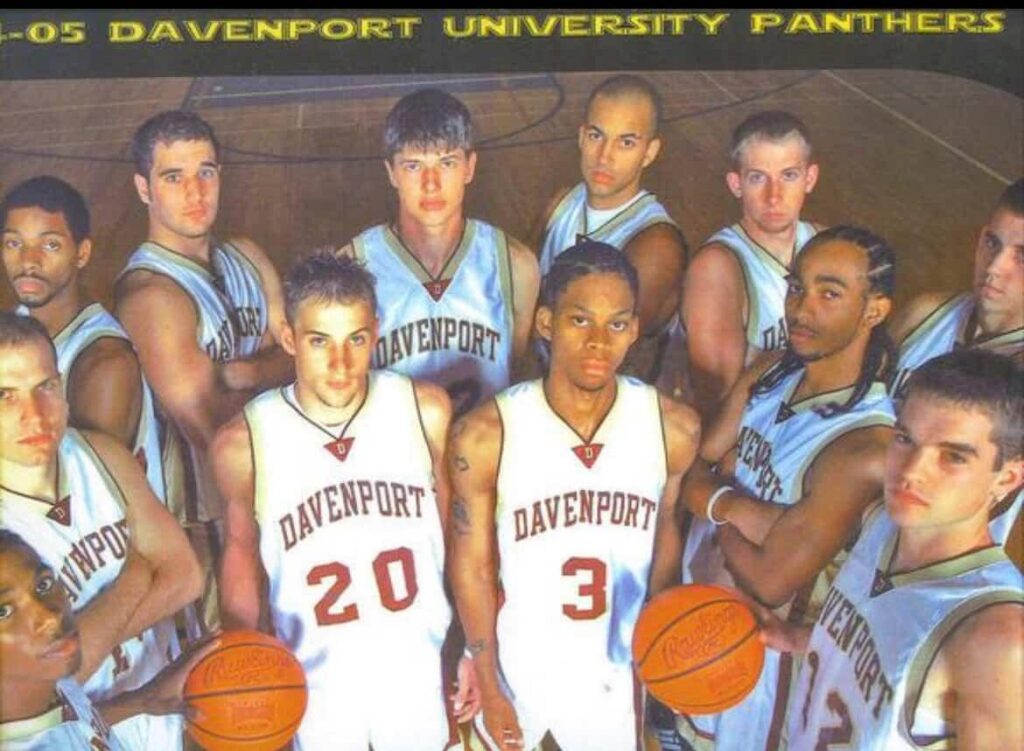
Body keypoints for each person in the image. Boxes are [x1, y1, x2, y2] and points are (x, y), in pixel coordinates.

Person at [212, 250, 469, 750]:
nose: (340, 363)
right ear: (288, 338)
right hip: (315, 686)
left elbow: (456, 538)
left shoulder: (424, 409)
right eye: (318, 341)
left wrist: (473, 648)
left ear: (376, 329)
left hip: (417, 671)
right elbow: (241, 556)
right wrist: (244, 676)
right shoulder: (243, 442)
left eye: (355, 339)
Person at [450, 240, 700, 750]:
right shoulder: (485, 435)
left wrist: (666, 635)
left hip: (616, 674)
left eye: (616, 324)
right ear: (546, 323)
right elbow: (472, 566)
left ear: (634, 329)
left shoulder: (673, 429)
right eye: (580, 321)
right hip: (521, 665)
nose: (599, 342)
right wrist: (488, 679)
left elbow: (667, 530)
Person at [674, 226, 897, 751]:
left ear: (875, 311)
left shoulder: (863, 446)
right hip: (703, 609)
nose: (801, 308)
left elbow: (769, 582)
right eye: (796, 287)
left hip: (767, 657)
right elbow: (692, 469)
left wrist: (718, 508)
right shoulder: (770, 370)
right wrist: (744, 512)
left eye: (829, 293)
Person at [769, 350, 1023, 750]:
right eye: (905, 439)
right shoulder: (881, 524)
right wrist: (792, 638)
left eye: (953, 456)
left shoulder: (998, 637)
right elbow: (884, 650)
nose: (911, 471)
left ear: (1006, 478)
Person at [115, 110, 293, 632]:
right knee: (231, 677)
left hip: (267, 496)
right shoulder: (150, 296)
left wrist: (248, 374)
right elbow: (211, 434)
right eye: (174, 177)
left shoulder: (246, 256)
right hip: (203, 524)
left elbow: (294, 354)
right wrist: (270, 373)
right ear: (144, 189)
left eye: (206, 172)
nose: (195, 192)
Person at [0, 312, 203, 749]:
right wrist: (135, 576)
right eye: (6, 396)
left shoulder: (100, 453)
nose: (34, 415)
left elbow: (185, 576)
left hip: (164, 712)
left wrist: (72, 647)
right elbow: (33, 697)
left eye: (45, 387)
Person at [339, 88, 540, 418]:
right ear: (391, 172)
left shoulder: (515, 266)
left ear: (469, 167)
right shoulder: (353, 265)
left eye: (447, 163)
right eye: (414, 166)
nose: (431, 184)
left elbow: (514, 366)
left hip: (482, 459)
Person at [2, 176, 166, 503]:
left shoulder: (105, 364)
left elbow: (81, 497)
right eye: (13, 243)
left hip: (110, 547)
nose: (28, 261)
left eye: (50, 245)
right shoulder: (18, 327)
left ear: (82, 253)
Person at [889, 178, 1023, 546]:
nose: (995, 267)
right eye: (992, 243)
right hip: (844, 530)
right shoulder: (925, 313)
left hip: (925, 565)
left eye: (1021, 255)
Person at [537, 74, 687, 387]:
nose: (605, 156)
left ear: (649, 152)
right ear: (581, 137)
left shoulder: (657, 243)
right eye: (596, 136)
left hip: (609, 408)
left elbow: (610, 358)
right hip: (548, 380)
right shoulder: (562, 203)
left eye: (626, 142)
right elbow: (516, 300)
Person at [0, 530, 212, 751]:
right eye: (3, 611)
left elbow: (74, 728)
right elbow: (176, 574)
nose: (50, 617)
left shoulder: (45, 686)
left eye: (43, 585)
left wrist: (142, 700)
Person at [682, 110, 823, 424]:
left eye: (789, 175)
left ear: (809, 179)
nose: (774, 196)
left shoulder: (826, 245)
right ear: (736, 184)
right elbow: (716, 407)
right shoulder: (717, 268)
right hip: (748, 437)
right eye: (758, 177)